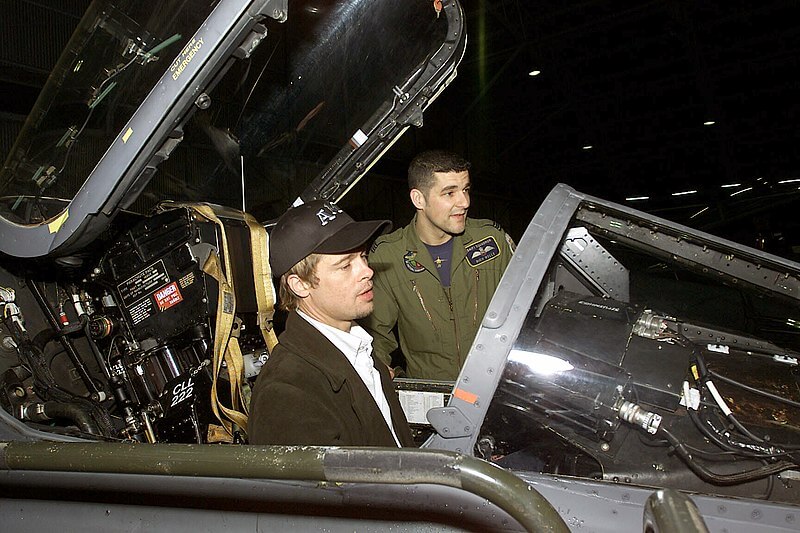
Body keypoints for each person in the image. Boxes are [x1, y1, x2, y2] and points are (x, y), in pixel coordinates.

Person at [249, 200, 415, 446]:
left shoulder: (361, 352)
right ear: (300, 285)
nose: (367, 271)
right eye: (345, 265)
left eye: (363, 257)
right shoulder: (288, 391)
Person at [362, 150, 515, 381]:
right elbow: (374, 334)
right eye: (449, 193)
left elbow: (525, 310)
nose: (464, 202)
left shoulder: (491, 241)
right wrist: (379, 370)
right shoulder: (390, 254)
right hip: (432, 396)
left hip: (493, 386)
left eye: (465, 190)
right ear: (418, 199)